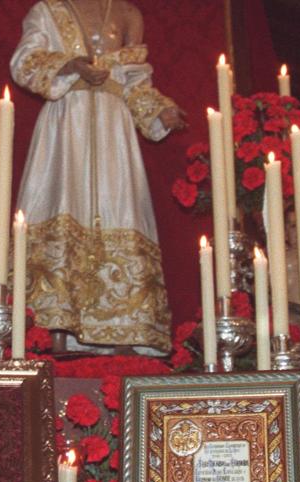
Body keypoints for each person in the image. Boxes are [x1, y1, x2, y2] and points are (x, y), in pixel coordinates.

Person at [10, 0, 185, 354]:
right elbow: (24, 62)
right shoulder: (48, 10)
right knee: (59, 205)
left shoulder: (128, 14)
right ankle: (53, 327)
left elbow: (136, 82)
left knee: (120, 210)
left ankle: (123, 329)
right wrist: (69, 66)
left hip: (113, 126)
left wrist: (159, 110)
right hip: (65, 122)